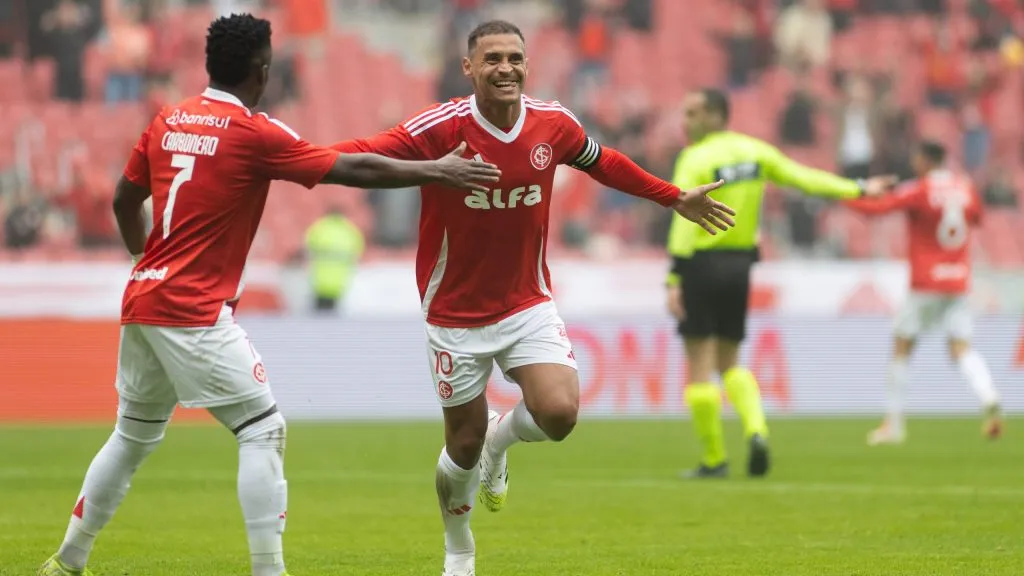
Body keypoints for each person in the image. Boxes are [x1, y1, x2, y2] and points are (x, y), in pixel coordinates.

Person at [37, 13, 501, 576]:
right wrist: (437, 171)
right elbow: (351, 168)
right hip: (193, 310)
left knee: (132, 435)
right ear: (262, 70)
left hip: (142, 300)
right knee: (263, 429)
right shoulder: (253, 133)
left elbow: (122, 200)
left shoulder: (168, 119)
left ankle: (68, 561)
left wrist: (145, 261)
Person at [330, 20, 736, 576]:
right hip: (454, 314)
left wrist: (671, 198)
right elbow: (359, 156)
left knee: (561, 413)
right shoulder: (441, 127)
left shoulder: (553, 124)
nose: (506, 68)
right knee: (462, 447)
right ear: (468, 68)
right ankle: (459, 547)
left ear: (527, 64)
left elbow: (605, 162)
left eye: (514, 57)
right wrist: (295, 162)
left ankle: (503, 441)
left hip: (526, 301)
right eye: (492, 58)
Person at [665, 88, 897, 480]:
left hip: (701, 265)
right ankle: (756, 429)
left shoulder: (695, 158)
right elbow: (805, 179)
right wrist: (858, 187)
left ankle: (714, 459)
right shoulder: (757, 152)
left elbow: (682, 219)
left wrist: (674, 277)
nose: (685, 121)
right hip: (740, 265)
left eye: (693, 113)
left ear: (716, 116)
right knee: (730, 362)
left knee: (700, 365)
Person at [847, 140, 1002, 445]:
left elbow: (879, 207)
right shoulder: (966, 187)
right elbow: (979, 219)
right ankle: (989, 395)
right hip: (958, 281)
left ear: (926, 160)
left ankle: (894, 425)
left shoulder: (920, 189)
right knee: (961, 348)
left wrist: (843, 194)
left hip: (925, 283)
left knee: (901, 347)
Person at [304, 205, 365, 312]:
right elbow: (358, 251)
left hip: (320, 278)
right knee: (334, 312)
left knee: (318, 311)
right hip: (340, 279)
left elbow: (308, 247)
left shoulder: (320, 227)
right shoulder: (350, 230)